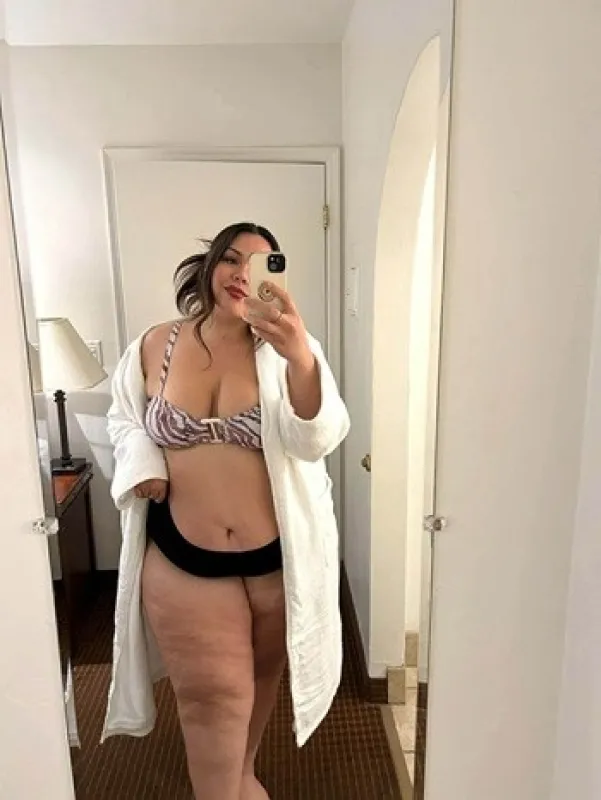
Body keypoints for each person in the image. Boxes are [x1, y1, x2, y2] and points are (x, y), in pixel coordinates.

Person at [101, 222, 350, 800]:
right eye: (231, 259)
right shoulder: (154, 344)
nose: (242, 274)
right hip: (184, 558)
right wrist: (144, 463)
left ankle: (241, 778)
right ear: (210, 266)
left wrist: (299, 358)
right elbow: (124, 420)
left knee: (260, 680)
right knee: (213, 697)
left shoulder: (292, 350)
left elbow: (318, 439)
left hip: (277, 561)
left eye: (259, 264)